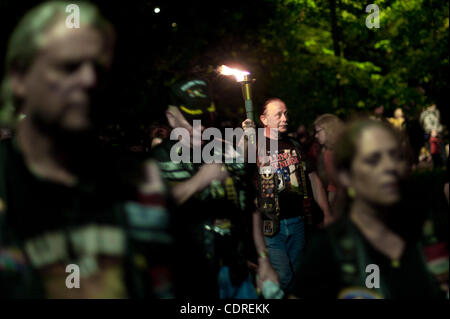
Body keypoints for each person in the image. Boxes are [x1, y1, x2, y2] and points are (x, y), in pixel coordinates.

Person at [0, 1, 172, 298]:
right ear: (19, 77)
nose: (89, 80)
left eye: (98, 69)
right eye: (69, 66)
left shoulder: (142, 185)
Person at [151, 77, 278, 299]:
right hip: (190, 280)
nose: (200, 127)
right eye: (191, 119)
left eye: (204, 117)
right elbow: (153, 209)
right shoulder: (158, 160)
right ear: (171, 118)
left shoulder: (227, 152)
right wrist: (199, 181)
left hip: (237, 274)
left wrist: (263, 259)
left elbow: (250, 208)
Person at [292, 119, 448, 299]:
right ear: (346, 176)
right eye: (373, 160)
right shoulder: (328, 251)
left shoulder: (429, 230)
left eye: (395, 156)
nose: (389, 167)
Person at [242, 98, 332, 294]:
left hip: (298, 222)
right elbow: (240, 168)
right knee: (283, 276)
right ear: (264, 119)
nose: (285, 118)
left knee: (298, 275)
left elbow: (313, 179)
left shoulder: (294, 144)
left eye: (286, 114)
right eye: (279, 114)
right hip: (271, 226)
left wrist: (326, 212)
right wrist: (246, 137)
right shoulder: (254, 145)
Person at [313, 114, 344, 207]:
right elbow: (332, 185)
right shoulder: (327, 152)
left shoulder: (345, 150)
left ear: (328, 130)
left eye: (318, 131)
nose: (316, 136)